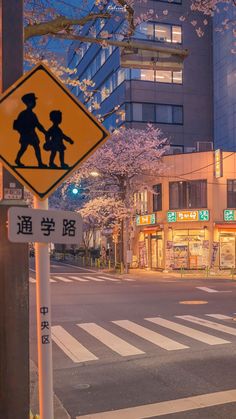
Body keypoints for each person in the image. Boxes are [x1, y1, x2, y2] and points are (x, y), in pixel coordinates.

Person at [14, 93, 47, 168]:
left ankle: (40, 163)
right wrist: (23, 132)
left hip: (32, 134)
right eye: (32, 102)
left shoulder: (33, 114)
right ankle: (17, 159)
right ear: (28, 103)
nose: (34, 103)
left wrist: (45, 132)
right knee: (24, 148)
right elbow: (17, 125)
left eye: (34, 102)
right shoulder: (23, 114)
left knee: (36, 147)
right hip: (26, 134)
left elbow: (38, 125)